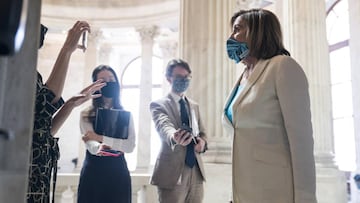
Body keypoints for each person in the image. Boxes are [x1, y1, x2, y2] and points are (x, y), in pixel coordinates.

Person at [224, 9, 317, 203]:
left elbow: (302, 142)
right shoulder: (242, 78)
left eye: (237, 29)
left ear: (257, 32)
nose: (231, 37)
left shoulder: (282, 66)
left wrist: (305, 198)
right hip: (243, 190)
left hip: (275, 191)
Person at [27, 21, 106, 203]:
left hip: (37, 171)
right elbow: (46, 102)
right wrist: (67, 49)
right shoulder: (12, 74)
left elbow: (43, 130)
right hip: (21, 168)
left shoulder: (33, 75)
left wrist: (70, 104)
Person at [149, 59, 208, 203]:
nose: (184, 80)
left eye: (187, 77)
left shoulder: (194, 106)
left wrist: (202, 143)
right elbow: (163, 125)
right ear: (169, 78)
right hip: (171, 174)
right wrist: (174, 136)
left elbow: (203, 133)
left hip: (196, 173)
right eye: (179, 77)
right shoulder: (159, 104)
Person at [77, 65, 136, 203]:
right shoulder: (86, 114)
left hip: (118, 172)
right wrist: (102, 146)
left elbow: (130, 146)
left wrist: (99, 138)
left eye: (111, 79)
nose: (109, 82)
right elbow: (91, 146)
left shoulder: (126, 115)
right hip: (93, 172)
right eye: (103, 80)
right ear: (95, 85)